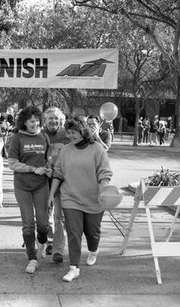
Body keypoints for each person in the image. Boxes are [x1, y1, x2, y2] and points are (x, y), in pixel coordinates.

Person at [48, 118, 113, 282]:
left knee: (92, 232)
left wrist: (104, 190)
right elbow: (58, 173)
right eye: (68, 133)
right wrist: (51, 195)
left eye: (73, 132)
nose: (70, 136)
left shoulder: (97, 149)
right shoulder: (65, 150)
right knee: (73, 233)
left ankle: (93, 249)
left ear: (82, 131)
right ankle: (74, 268)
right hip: (70, 198)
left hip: (94, 198)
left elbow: (104, 173)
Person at [8, 106, 52, 274]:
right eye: (31, 121)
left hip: (41, 185)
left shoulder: (44, 136)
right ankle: (32, 259)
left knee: (43, 224)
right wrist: (33, 169)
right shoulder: (17, 138)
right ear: (24, 123)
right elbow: (12, 163)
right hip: (22, 186)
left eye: (36, 120)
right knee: (28, 224)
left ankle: (42, 242)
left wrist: (48, 168)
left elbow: (48, 158)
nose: (35, 124)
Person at [42, 107, 70, 264]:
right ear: (45, 120)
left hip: (62, 181)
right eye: (50, 118)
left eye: (56, 118)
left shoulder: (67, 135)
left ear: (61, 120)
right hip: (43, 181)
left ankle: (58, 250)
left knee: (60, 216)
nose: (53, 121)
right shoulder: (40, 135)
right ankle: (47, 241)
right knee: (45, 214)